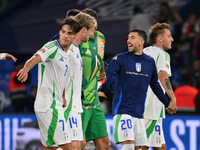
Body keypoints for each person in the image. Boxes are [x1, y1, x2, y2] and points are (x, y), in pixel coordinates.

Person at [99, 29, 176, 150]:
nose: (128, 40)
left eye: (132, 37)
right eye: (128, 38)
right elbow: (109, 77)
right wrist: (107, 90)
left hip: (139, 114)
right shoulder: (120, 58)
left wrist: (167, 103)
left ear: (141, 41)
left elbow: (155, 86)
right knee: (128, 145)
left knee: (139, 147)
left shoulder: (149, 62)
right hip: (123, 111)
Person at [17, 18, 81, 150]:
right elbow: (35, 58)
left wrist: (63, 95)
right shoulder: (52, 47)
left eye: (69, 33)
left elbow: (62, 77)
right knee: (69, 147)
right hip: (49, 106)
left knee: (51, 147)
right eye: (63, 32)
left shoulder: (70, 53)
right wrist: (26, 68)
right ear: (60, 32)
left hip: (53, 104)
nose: (65, 35)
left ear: (75, 36)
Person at [63, 12, 97, 150]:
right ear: (84, 30)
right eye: (92, 31)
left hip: (75, 103)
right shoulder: (65, 47)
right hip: (66, 104)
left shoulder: (76, 49)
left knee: (81, 143)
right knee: (73, 144)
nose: (92, 35)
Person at [79, 8, 110, 150]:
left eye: (95, 28)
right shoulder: (77, 41)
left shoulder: (101, 37)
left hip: (94, 101)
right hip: (80, 101)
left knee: (104, 142)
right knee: (79, 144)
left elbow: (99, 56)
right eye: (91, 28)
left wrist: (101, 69)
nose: (93, 31)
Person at [142, 23, 176, 150]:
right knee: (141, 146)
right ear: (160, 39)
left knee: (160, 146)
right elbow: (163, 75)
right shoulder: (162, 54)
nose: (172, 39)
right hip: (151, 106)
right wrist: (172, 98)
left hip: (145, 104)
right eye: (169, 36)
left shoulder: (143, 51)